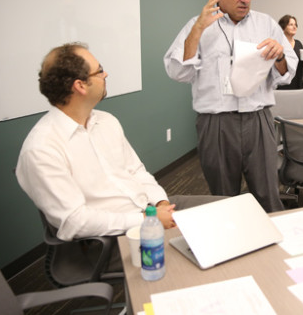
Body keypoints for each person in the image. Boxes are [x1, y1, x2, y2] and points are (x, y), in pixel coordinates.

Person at [16, 43, 223, 242]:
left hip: (148, 209)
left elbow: (136, 171)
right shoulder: (41, 149)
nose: (105, 75)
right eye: (99, 71)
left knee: (232, 209)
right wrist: (147, 220)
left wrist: (162, 202)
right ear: (80, 86)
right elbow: (75, 222)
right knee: (210, 239)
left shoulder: (106, 121)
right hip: (109, 237)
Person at [164, 0, 298, 212]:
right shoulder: (198, 26)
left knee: (268, 195)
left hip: (258, 121)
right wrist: (198, 30)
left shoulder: (266, 24)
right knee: (223, 202)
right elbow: (177, 72)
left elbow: (286, 73)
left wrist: (280, 55)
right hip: (216, 124)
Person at [277, 14, 303, 90]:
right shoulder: (278, 44)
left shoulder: (298, 44)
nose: (294, 27)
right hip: (280, 85)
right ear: (283, 27)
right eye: (291, 25)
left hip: (296, 84)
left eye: (295, 25)